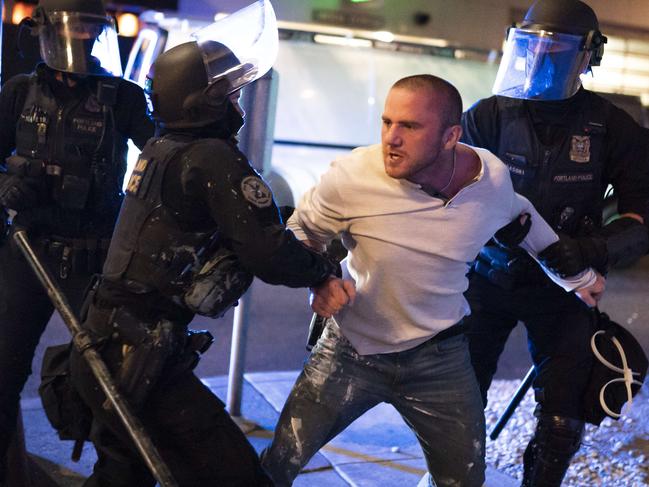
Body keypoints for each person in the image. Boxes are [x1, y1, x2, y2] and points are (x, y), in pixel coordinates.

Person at [260, 74, 604, 487]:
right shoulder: (351, 176)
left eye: (410, 126)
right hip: (350, 352)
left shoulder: (488, 177)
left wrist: (577, 277)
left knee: (463, 482)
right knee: (278, 464)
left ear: (450, 136)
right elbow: (300, 234)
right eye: (387, 122)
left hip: (440, 359)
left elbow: (520, 215)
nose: (392, 137)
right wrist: (321, 278)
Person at [69, 2, 341, 485]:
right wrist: (322, 271)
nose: (237, 102)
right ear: (205, 103)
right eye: (228, 93)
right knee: (234, 475)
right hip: (142, 355)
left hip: (107, 340)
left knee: (123, 472)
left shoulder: (161, 148)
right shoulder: (212, 157)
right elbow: (268, 251)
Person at [460, 1, 649, 485]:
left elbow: (642, 215)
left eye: (557, 48)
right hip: (486, 275)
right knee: (457, 400)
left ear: (588, 56)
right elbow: (444, 193)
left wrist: (593, 250)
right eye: (532, 44)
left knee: (564, 416)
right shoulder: (487, 116)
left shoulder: (612, 126)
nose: (542, 56)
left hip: (564, 284)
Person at [0, 0, 154, 482]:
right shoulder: (18, 93)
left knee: (112, 376)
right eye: (73, 31)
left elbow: (164, 156)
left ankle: (115, 477)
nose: (81, 42)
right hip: (27, 249)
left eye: (90, 30)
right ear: (46, 35)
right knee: (3, 372)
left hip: (93, 256)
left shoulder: (123, 98)